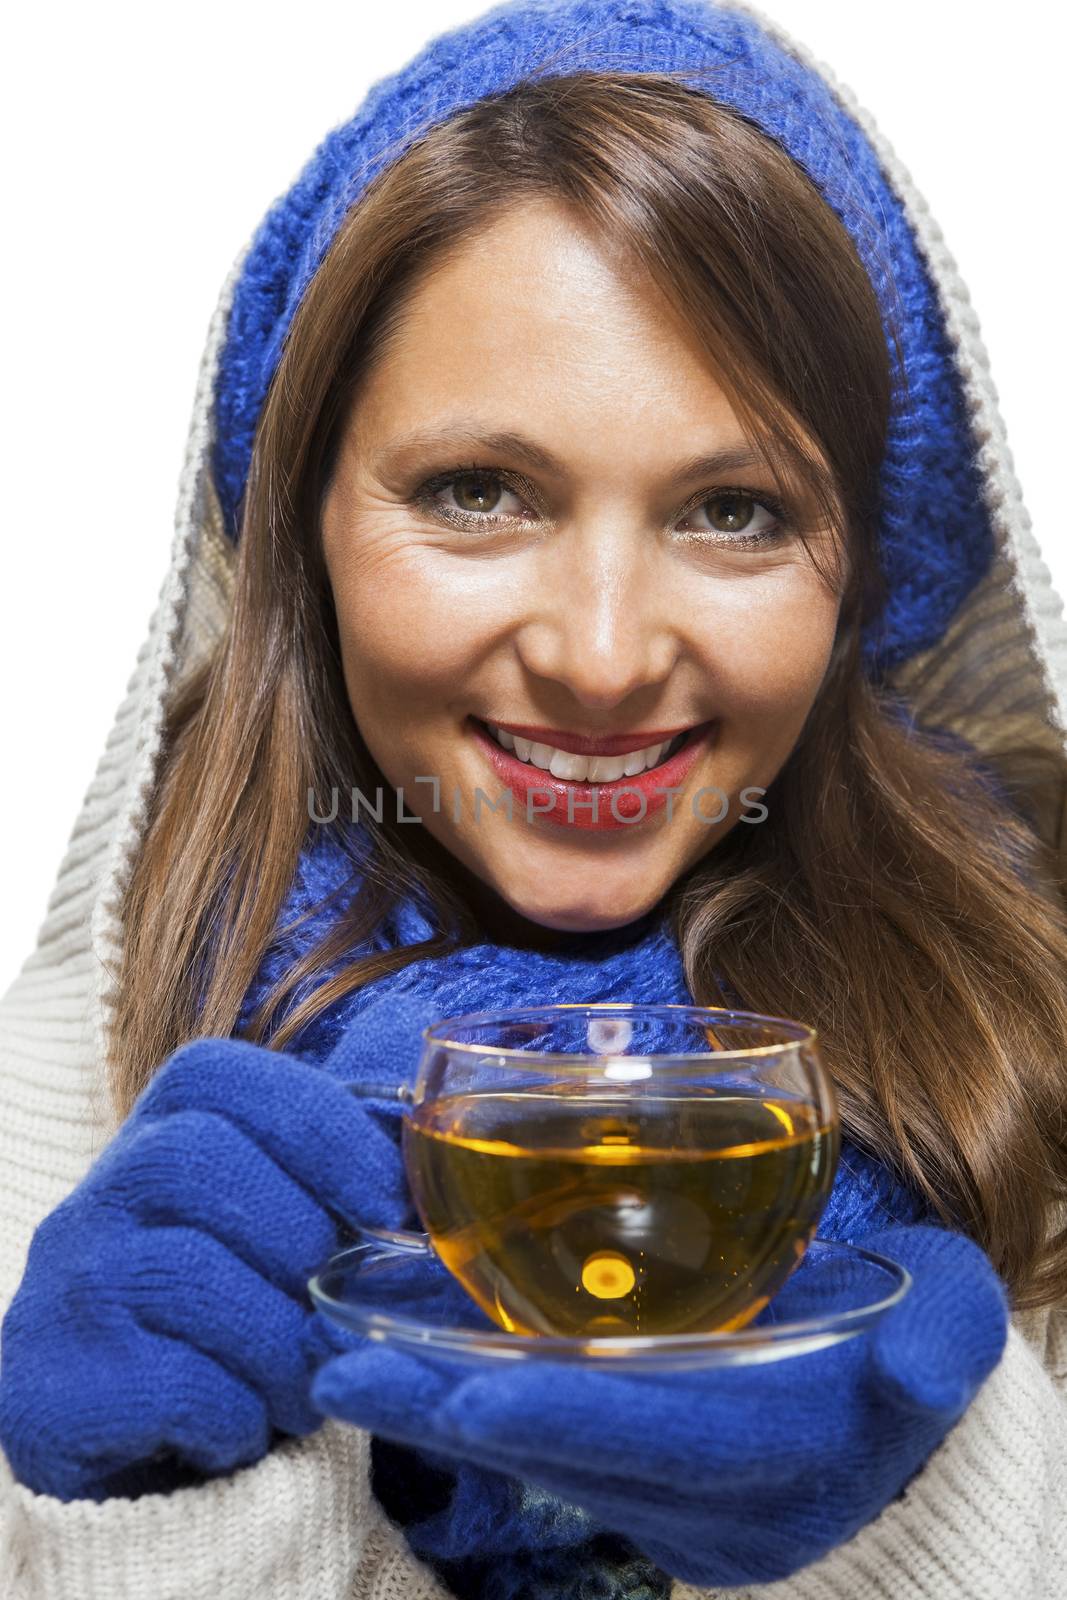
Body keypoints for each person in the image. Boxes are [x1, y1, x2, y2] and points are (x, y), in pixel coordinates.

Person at [1, 0, 1066, 1595]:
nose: (601, 655)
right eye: (477, 491)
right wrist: (139, 1515)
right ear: (307, 538)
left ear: (861, 586)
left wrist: (932, 1504)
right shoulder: (57, 1102)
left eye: (734, 509)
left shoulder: (1031, 1046)